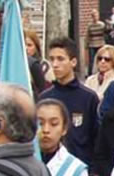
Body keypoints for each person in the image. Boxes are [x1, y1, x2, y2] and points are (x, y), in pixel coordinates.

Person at [39, 37, 100, 167]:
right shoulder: (44, 98)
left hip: (80, 168)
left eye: (60, 59)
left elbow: (96, 138)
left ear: (73, 62)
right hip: (49, 167)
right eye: (52, 59)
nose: (55, 64)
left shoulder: (88, 98)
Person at [87, 10, 107, 75]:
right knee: (91, 61)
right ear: (92, 17)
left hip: (100, 44)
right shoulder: (89, 25)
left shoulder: (102, 24)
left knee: (101, 59)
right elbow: (88, 35)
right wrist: (87, 44)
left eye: (96, 16)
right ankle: (89, 74)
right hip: (92, 44)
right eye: (94, 16)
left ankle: (101, 73)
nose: (96, 17)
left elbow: (105, 33)